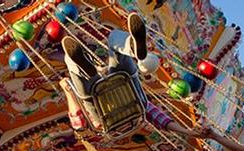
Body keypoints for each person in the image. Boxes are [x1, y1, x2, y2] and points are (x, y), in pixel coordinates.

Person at [59, 13, 201, 139]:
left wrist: (68, 91)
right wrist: (189, 132)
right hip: (129, 93)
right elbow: (162, 120)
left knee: (71, 62)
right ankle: (129, 48)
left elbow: (79, 124)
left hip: (100, 109)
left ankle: (128, 49)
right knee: (114, 38)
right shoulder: (141, 106)